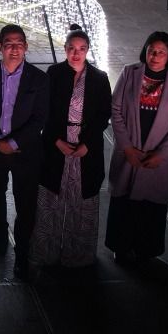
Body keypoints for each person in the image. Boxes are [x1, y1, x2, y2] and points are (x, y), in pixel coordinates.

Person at [106, 31, 168, 264]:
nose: (155, 56)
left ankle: (147, 249)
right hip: (129, 151)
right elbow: (116, 110)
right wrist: (127, 148)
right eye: (152, 50)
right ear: (145, 50)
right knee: (123, 201)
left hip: (157, 156)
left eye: (161, 52)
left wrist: (161, 154)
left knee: (151, 205)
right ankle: (120, 246)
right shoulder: (129, 73)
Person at [31, 26, 110, 271]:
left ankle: (79, 254)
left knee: (82, 201)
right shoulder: (53, 74)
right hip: (57, 145)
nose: (76, 54)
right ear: (65, 49)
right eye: (71, 49)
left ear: (87, 51)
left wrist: (88, 144)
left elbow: (103, 115)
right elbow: (43, 111)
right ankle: (47, 250)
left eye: (81, 49)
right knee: (51, 198)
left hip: (86, 149)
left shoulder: (99, 78)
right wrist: (55, 140)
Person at [0, 23, 49, 279]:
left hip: (26, 152)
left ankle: (22, 252)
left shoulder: (39, 79)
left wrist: (14, 142)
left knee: (25, 203)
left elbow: (40, 118)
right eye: (9, 44)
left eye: (19, 43)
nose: (14, 49)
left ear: (26, 48)